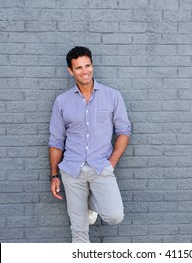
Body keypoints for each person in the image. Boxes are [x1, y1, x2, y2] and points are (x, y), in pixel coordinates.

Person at [48, 46, 131, 243]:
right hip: (71, 170)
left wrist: (111, 163)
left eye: (88, 66)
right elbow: (56, 140)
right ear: (71, 71)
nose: (85, 71)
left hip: (101, 167)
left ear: (92, 65)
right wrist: (53, 175)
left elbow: (124, 132)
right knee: (79, 231)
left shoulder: (112, 96)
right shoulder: (62, 102)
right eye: (78, 68)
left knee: (114, 215)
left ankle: (89, 203)